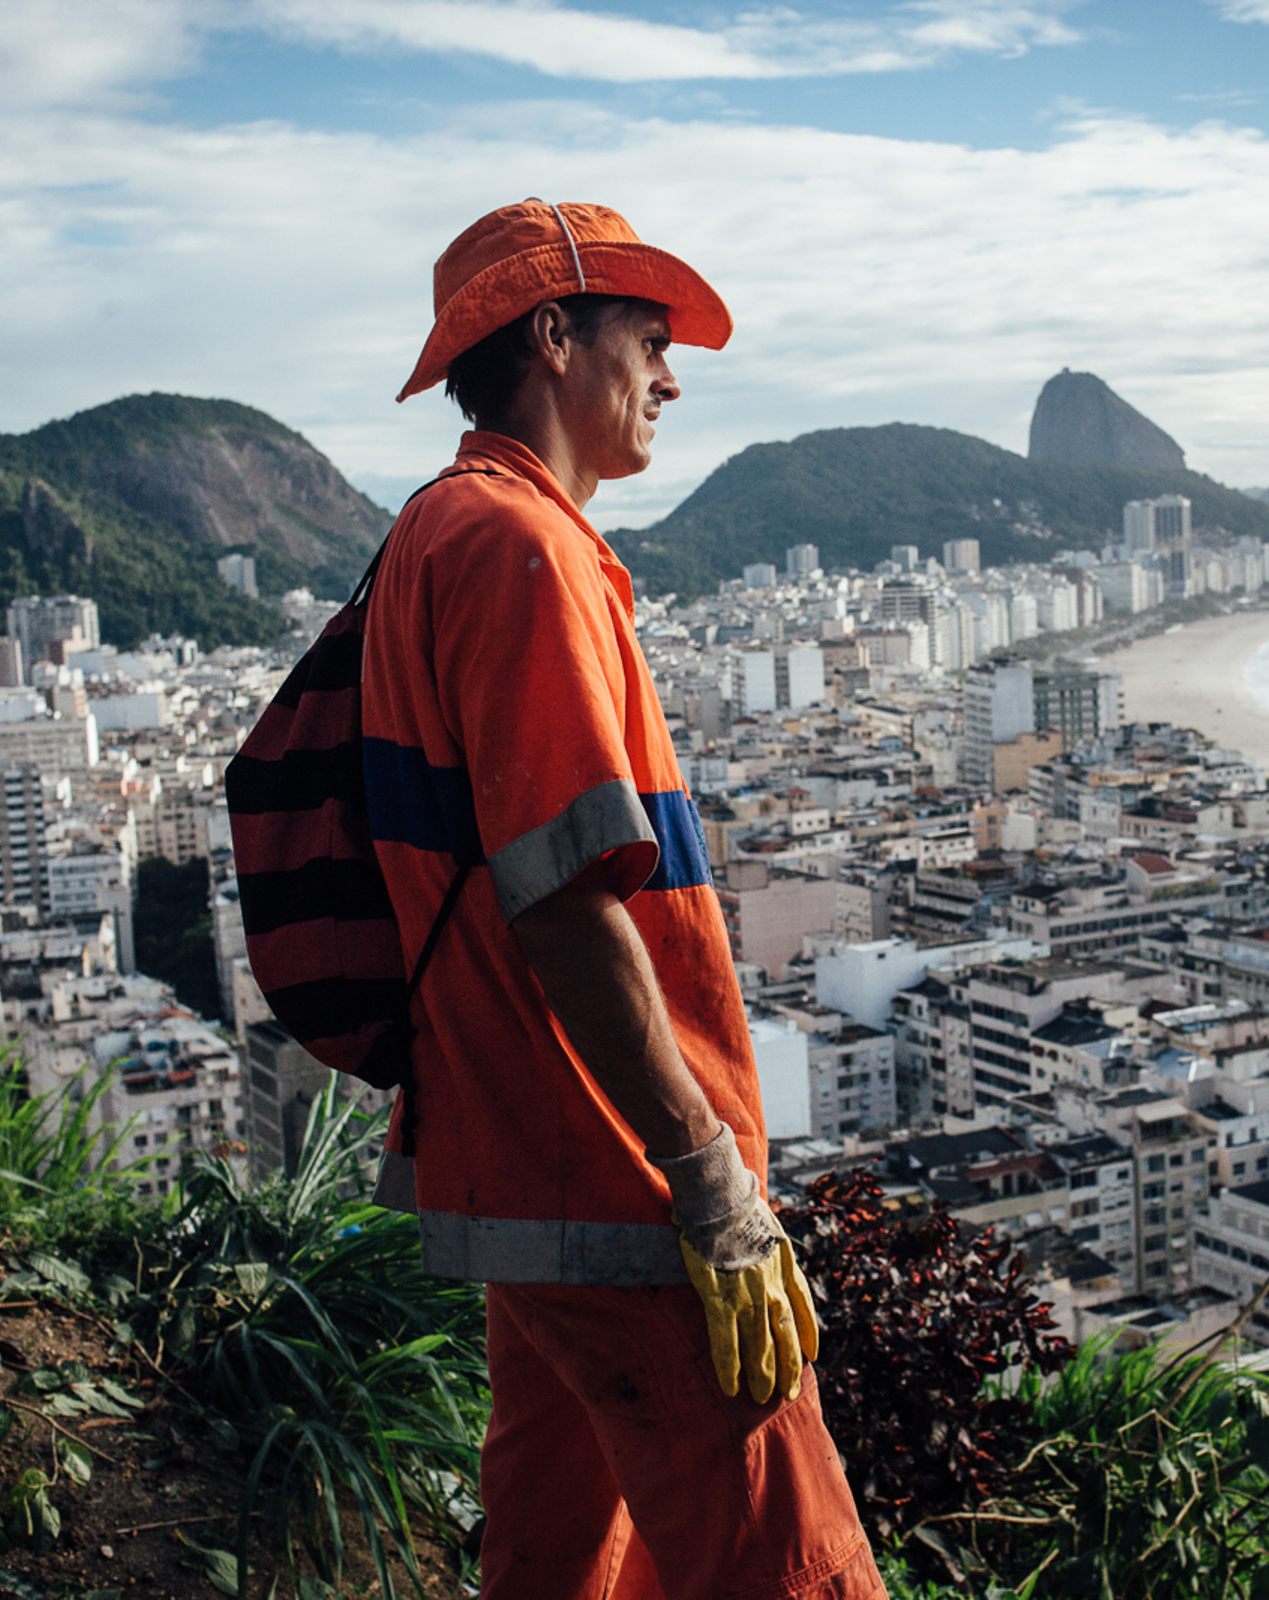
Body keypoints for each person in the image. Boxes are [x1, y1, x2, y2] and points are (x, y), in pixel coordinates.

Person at [362, 199, 887, 1600]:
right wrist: (705, 1178)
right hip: (618, 1178)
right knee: (793, 1558)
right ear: (551, 338)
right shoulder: (522, 553)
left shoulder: (428, 533)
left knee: (555, 1557)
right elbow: (561, 900)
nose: (670, 378)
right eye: (647, 341)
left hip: (518, 1165)